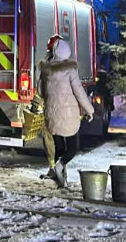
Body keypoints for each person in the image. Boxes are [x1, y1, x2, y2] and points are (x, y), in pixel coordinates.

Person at [37, 34, 95, 189]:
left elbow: (40, 91)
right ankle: (60, 166)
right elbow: (79, 93)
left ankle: (61, 179)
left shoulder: (45, 70)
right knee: (72, 147)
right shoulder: (70, 71)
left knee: (59, 147)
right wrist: (89, 110)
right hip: (69, 116)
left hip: (52, 114)